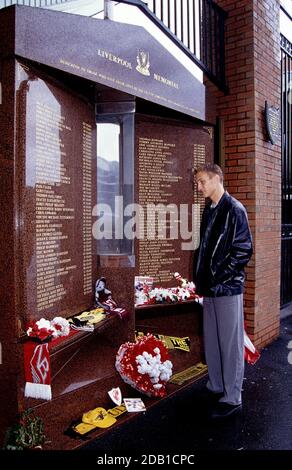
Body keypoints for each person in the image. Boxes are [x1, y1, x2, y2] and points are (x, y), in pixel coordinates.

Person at [193, 163, 253, 419]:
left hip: (226, 288)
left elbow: (243, 251)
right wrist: (202, 279)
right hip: (210, 288)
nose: (199, 186)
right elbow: (205, 250)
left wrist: (218, 278)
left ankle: (232, 396)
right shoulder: (209, 210)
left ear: (217, 178)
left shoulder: (234, 209)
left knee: (229, 344)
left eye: (202, 181)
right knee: (214, 341)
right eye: (197, 182)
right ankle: (217, 384)